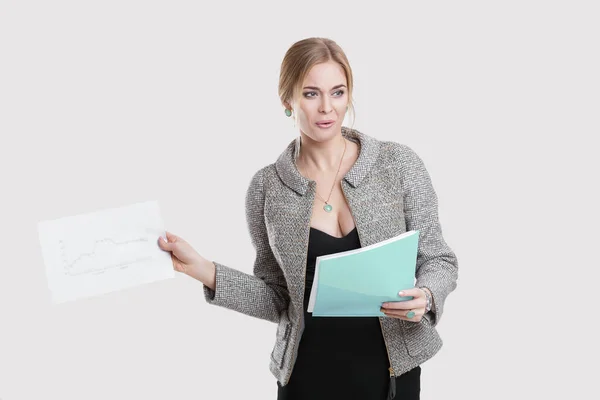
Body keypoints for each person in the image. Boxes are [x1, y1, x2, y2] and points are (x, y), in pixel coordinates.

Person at [157, 37, 458, 400]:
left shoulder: (399, 165)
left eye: (338, 92)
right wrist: (202, 269)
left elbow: (439, 259)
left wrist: (426, 296)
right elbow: (277, 298)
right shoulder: (267, 188)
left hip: (393, 374)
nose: (327, 108)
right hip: (308, 375)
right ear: (288, 101)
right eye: (311, 94)